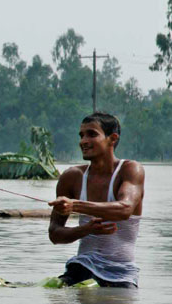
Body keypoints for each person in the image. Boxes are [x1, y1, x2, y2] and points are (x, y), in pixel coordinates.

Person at [49, 112, 144, 288]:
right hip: (81, 268)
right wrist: (85, 229)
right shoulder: (71, 177)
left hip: (121, 274)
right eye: (81, 135)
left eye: (92, 134)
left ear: (112, 139)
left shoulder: (130, 170)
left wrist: (75, 205)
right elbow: (55, 234)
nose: (83, 141)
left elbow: (124, 209)